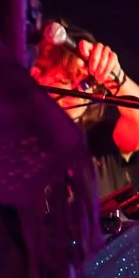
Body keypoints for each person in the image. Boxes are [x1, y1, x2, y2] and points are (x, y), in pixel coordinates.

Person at [30, 23, 139, 198]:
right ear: (36, 74)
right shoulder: (11, 148)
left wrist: (115, 76)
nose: (78, 89)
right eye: (67, 76)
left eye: (86, 83)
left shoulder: (101, 141)